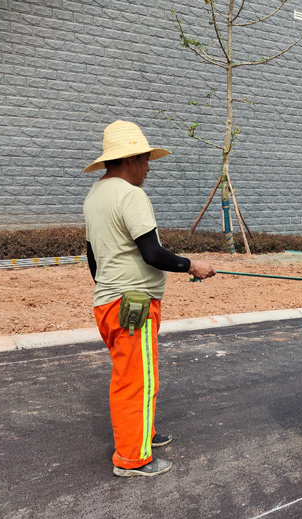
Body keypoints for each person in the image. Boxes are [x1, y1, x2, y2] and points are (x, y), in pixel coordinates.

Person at [83, 120, 216, 477]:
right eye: (145, 160)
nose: (148, 168)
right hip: (133, 304)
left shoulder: (96, 194)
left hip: (108, 300)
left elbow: (93, 256)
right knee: (135, 379)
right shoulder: (131, 195)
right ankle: (132, 458)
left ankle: (144, 434)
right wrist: (192, 265)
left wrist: (109, 284)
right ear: (131, 159)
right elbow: (152, 254)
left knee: (137, 371)